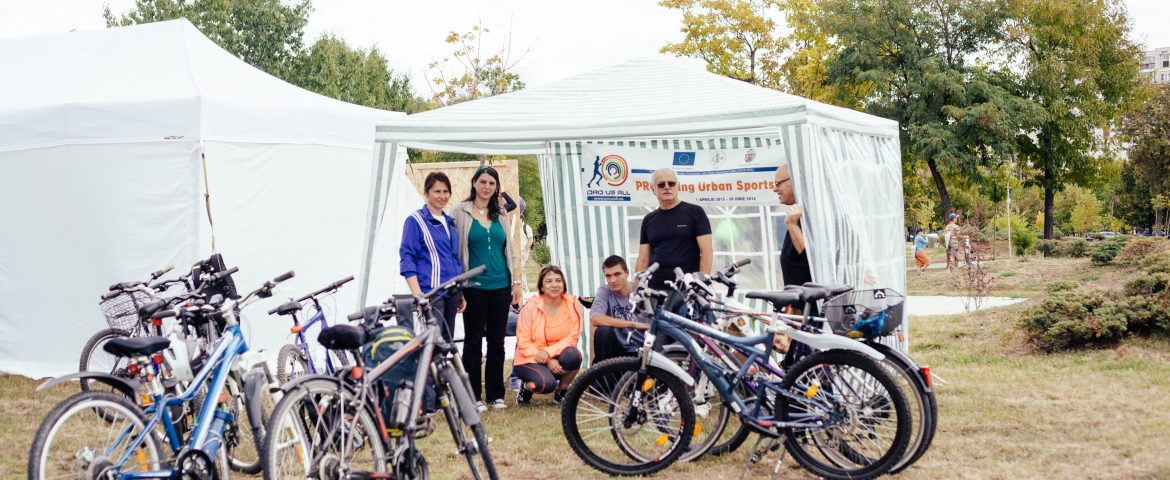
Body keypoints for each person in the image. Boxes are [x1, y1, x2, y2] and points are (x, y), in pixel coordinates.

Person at [453, 166, 523, 411]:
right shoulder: (459, 212)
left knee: (497, 342)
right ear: (474, 183)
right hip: (473, 286)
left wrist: (516, 282)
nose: (486, 187)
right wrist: (459, 287)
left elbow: (510, 251)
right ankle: (473, 397)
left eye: (491, 183)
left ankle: (496, 395)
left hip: (501, 285)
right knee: (473, 342)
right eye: (482, 182)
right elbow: (455, 252)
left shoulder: (501, 212)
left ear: (496, 188)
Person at [399, 172, 463, 339]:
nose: (442, 196)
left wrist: (460, 291)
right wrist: (418, 295)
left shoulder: (449, 222)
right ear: (426, 193)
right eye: (437, 191)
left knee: (447, 342)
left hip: (452, 292)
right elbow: (407, 259)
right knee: (433, 344)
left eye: (445, 191)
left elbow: (454, 260)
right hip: (432, 293)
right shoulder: (415, 221)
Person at [514, 265, 582, 406]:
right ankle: (526, 387)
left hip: (553, 354)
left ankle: (561, 392)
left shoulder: (573, 304)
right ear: (541, 286)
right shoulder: (530, 307)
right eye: (549, 281)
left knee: (574, 356)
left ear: (563, 284)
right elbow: (523, 342)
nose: (554, 285)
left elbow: (573, 337)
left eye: (558, 280)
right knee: (545, 385)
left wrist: (548, 353)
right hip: (530, 358)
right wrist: (547, 360)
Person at [636, 168, 713, 289]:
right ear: (653, 189)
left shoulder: (695, 212)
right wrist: (637, 289)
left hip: (687, 288)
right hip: (655, 289)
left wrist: (701, 285)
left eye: (671, 183)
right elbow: (643, 259)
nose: (667, 187)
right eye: (661, 184)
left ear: (678, 186)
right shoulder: (648, 220)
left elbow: (707, 251)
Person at [590, 255, 645, 363]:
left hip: (640, 349)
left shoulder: (640, 290)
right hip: (616, 350)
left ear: (627, 273)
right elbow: (596, 319)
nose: (613, 280)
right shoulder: (605, 290)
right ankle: (604, 376)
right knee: (602, 332)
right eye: (608, 276)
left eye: (617, 274)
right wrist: (633, 324)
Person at [773, 163, 811, 287]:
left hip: (815, 304)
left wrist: (792, 225)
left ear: (795, 181)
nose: (775, 189)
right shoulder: (797, 214)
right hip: (799, 303)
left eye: (778, 183)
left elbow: (813, 261)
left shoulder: (812, 214)